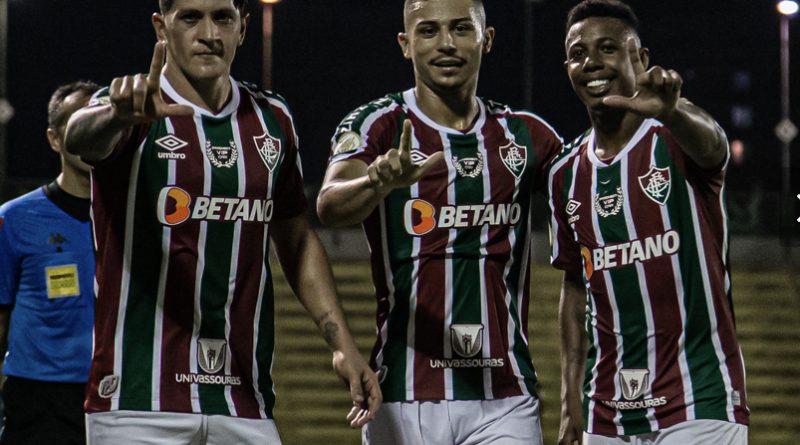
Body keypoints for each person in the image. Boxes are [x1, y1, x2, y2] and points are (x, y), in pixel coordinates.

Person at [64, 1, 380, 443]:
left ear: (243, 28)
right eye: (191, 18)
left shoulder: (273, 118)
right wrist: (116, 115)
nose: (209, 34)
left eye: (223, 18)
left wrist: (342, 345)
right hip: (136, 403)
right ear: (161, 27)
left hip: (243, 401)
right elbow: (81, 138)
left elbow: (296, 240)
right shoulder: (132, 107)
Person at [317, 0, 563, 443]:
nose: (446, 43)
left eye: (461, 29)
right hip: (402, 395)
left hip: (504, 398)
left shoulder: (525, 135)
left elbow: (595, 187)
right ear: (405, 44)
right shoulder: (378, 124)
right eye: (428, 31)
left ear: (487, 40)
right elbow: (330, 204)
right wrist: (376, 182)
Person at [549, 1, 749, 444]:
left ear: (639, 58)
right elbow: (574, 287)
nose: (591, 62)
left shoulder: (675, 136)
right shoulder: (564, 173)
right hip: (606, 413)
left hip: (699, 402)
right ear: (568, 69)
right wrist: (569, 402)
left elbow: (713, 146)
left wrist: (673, 112)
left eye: (607, 48)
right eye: (578, 53)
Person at [0, 80, 100, 445]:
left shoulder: (137, 221)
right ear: (54, 139)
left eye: (98, 122)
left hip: (116, 397)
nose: (90, 134)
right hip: (38, 401)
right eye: (77, 122)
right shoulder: (13, 219)